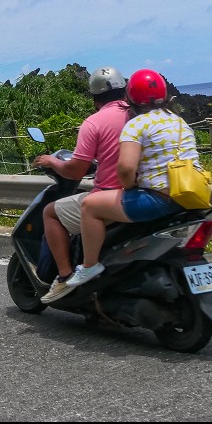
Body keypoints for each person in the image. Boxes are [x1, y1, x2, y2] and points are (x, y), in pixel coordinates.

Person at [63, 68, 197, 289]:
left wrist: (129, 186)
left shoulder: (136, 124)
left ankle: (89, 266)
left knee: (89, 205)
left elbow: (125, 169)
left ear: (130, 97)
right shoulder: (179, 122)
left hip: (159, 200)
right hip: (189, 195)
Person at [33, 66, 131, 304]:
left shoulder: (93, 122)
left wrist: (52, 162)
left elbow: (76, 169)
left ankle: (65, 275)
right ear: (124, 90)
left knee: (50, 212)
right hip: (140, 194)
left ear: (94, 97)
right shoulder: (140, 115)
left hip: (110, 199)